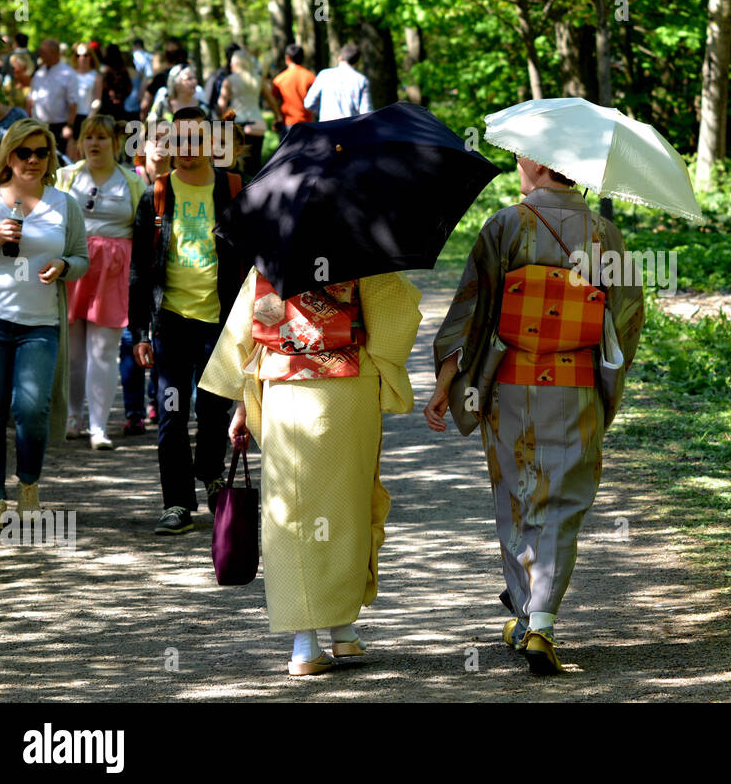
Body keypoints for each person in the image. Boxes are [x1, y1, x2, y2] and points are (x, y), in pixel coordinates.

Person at [425, 156, 645, 674]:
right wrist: (606, 381)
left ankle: (528, 618)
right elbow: (627, 319)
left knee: (517, 498)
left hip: (511, 386)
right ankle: (539, 621)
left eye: (522, 162)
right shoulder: (605, 234)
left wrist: (445, 386)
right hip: (576, 385)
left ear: (543, 165)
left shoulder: (506, 225)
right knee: (563, 502)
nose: (518, 171)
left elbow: (470, 312)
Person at [199, 265, 422, 676]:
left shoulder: (274, 253)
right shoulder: (359, 251)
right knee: (348, 504)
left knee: (292, 512)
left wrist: (243, 405)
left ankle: (308, 643)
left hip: (285, 388)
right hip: (348, 387)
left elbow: (247, 331)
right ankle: (343, 629)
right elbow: (395, 317)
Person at [128, 106, 244, 535]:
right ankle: (177, 502)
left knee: (213, 410)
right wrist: (139, 332)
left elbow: (253, 257)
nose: (186, 150)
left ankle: (212, 478)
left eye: (195, 141)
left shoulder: (233, 190)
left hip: (221, 322)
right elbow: (139, 270)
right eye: (178, 141)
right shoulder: (157, 194)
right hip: (171, 322)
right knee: (172, 414)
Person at [0, 119, 89, 527]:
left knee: (31, 409)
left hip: (40, 324)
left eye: (42, 152)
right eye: (25, 152)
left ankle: (28, 487)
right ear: (9, 155)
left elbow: (81, 259)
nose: (34, 160)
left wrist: (63, 264)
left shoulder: (65, 203)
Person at [58, 114, 145, 449]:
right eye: (89, 137)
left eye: (102, 138)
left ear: (116, 143)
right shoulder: (66, 176)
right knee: (73, 354)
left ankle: (98, 428)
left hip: (114, 272)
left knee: (104, 351)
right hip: (73, 268)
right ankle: (72, 419)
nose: (94, 144)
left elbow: (143, 228)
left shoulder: (132, 180)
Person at [118, 128, 172, 435]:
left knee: (164, 342)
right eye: (156, 140)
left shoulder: (183, 181)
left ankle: (157, 401)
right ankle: (134, 411)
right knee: (132, 340)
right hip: (131, 271)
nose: (161, 147)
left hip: (169, 276)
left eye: (169, 142)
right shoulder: (130, 180)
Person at [217, 50, 268, 177]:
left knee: (237, 161)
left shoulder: (229, 80)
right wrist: (278, 116)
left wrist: (221, 123)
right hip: (257, 122)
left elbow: (221, 105)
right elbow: (270, 100)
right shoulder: (258, 79)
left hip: (237, 123)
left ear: (235, 64)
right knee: (255, 161)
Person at [29, 39, 78, 150]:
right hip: (38, 124)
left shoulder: (68, 74)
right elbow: (31, 98)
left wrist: (69, 126)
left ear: (54, 53)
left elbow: (73, 102)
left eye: (44, 53)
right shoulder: (39, 73)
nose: (41, 56)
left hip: (58, 126)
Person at [304, 43, 371, 122]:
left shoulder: (324, 75)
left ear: (340, 58)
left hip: (327, 127)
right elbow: (366, 112)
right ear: (357, 62)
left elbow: (308, 103)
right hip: (350, 128)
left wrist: (323, 112)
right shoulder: (361, 80)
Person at [272, 43, 315, 137]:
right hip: (307, 123)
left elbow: (275, 102)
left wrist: (276, 118)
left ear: (287, 58)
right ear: (303, 58)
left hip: (287, 123)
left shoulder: (279, 79)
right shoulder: (310, 77)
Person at [69, 44, 102, 156]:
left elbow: (97, 99)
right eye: (78, 55)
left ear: (91, 57)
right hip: (70, 116)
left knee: (83, 149)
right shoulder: (70, 74)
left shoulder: (95, 76)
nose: (82, 58)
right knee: (70, 149)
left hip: (86, 116)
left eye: (85, 55)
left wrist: (92, 114)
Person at [204, 42, 241, 121]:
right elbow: (208, 99)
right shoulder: (217, 76)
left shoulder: (217, 75)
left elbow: (207, 99)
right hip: (220, 117)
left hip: (237, 118)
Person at [98, 44, 134, 122]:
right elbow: (128, 87)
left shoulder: (105, 69)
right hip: (118, 104)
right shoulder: (122, 69)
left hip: (108, 104)